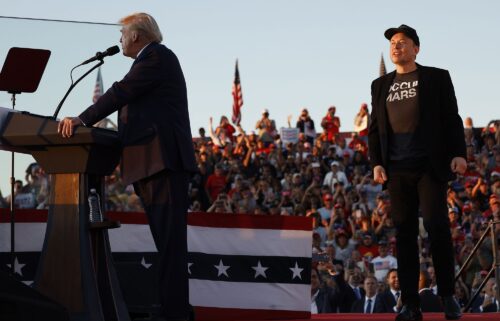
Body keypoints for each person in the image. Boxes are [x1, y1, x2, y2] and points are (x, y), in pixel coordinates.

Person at [58, 12, 196, 321]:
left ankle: (175, 314)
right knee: (167, 244)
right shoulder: (150, 61)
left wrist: (83, 119)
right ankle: (175, 310)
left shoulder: (156, 56)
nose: (119, 39)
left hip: (163, 163)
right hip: (153, 165)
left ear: (137, 35)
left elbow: (121, 92)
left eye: (123, 33)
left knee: (171, 245)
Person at [368, 24, 466, 321]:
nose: (396, 47)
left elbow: (452, 117)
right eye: (393, 44)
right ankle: (410, 304)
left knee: (437, 227)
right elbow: (375, 128)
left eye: (402, 42)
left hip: (429, 165)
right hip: (396, 169)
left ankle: (447, 295)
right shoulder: (380, 84)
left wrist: (459, 153)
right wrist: (376, 161)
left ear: (416, 48)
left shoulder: (436, 77)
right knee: (405, 234)